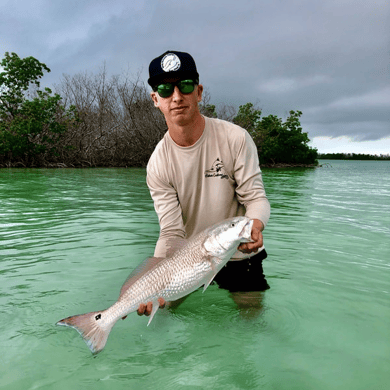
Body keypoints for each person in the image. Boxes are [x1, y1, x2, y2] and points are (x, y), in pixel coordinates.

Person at [137, 50, 271, 316]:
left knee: (252, 319)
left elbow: (255, 198)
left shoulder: (236, 138)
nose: (176, 97)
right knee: (163, 313)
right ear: (155, 99)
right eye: (165, 90)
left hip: (240, 252)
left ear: (198, 92)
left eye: (185, 86)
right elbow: (171, 232)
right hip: (188, 261)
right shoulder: (157, 164)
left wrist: (255, 225)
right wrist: (153, 280)